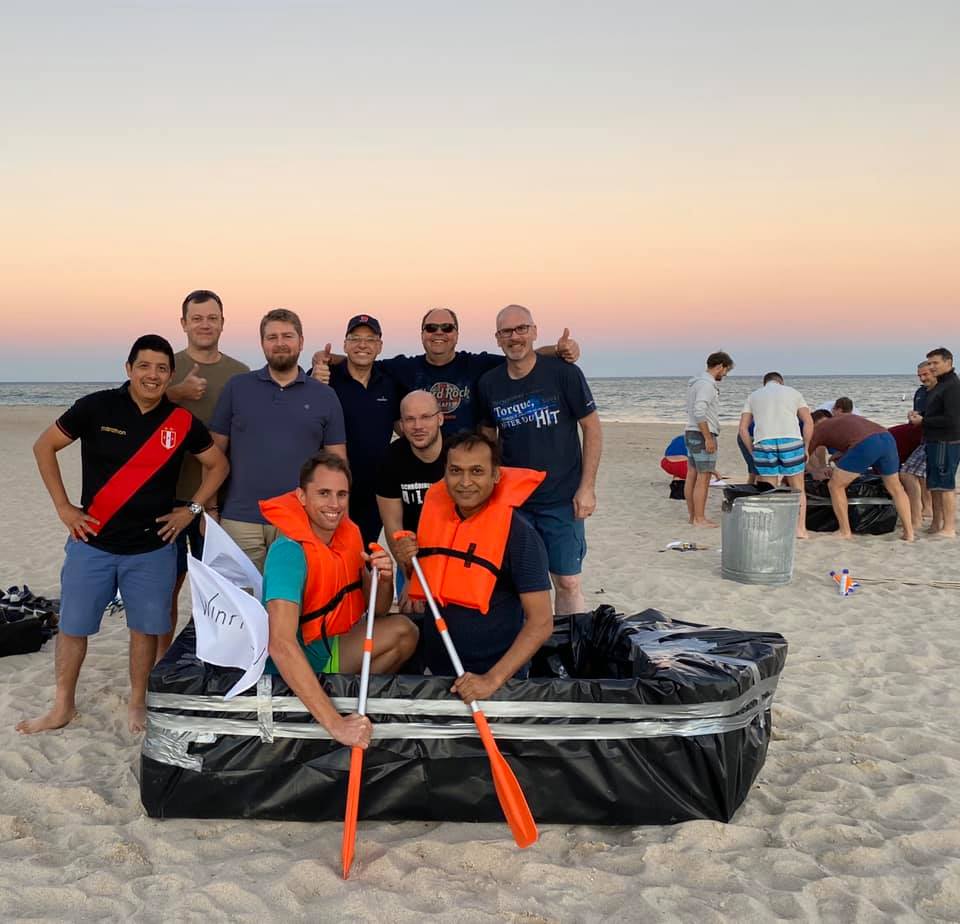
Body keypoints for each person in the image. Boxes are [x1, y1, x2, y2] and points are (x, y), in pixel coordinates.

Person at [17, 335, 229, 735]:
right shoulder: (96, 407)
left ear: (170, 375)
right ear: (129, 369)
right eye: (144, 366)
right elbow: (44, 447)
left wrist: (193, 509)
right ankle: (62, 706)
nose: (152, 375)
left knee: (145, 631)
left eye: (162, 368)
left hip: (152, 549)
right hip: (91, 544)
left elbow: (217, 465)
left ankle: (137, 702)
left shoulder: (181, 421)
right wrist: (64, 508)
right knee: (73, 629)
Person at [260, 453, 418, 746]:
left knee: (405, 632)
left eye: (341, 494)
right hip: (291, 666)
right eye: (323, 493)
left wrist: (384, 578)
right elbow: (280, 644)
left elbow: (379, 610)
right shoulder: (289, 552)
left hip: (329, 647)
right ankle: (331, 715)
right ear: (301, 497)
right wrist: (337, 726)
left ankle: (346, 701)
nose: (334, 504)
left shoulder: (349, 535)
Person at [393, 433, 553, 703]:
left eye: (477, 471)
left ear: (496, 476)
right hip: (437, 673)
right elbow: (428, 578)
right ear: (445, 473)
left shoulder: (521, 535)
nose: (465, 482)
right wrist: (408, 562)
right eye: (455, 471)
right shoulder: (434, 519)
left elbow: (542, 622)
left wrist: (491, 681)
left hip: (496, 679)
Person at [477, 304, 602, 616]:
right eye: (506, 331)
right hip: (514, 501)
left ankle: (570, 649)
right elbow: (486, 440)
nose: (515, 337)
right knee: (519, 583)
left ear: (534, 332)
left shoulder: (564, 373)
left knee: (568, 581)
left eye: (521, 329)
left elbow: (592, 428)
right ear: (497, 338)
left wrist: (587, 487)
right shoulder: (489, 384)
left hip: (561, 498)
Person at [210, 309, 347, 571]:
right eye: (272, 337)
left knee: (291, 603)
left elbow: (338, 463)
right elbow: (215, 453)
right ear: (262, 343)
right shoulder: (237, 388)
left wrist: (340, 518)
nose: (280, 343)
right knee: (239, 605)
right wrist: (210, 509)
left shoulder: (324, 396)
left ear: (301, 342)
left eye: (287, 336)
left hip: (299, 518)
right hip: (240, 520)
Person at [312, 307, 581, 434]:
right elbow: (363, 359)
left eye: (446, 328)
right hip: (421, 462)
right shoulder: (404, 367)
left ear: (456, 334)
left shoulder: (476, 364)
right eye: (431, 328)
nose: (439, 333)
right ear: (422, 334)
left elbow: (519, 355)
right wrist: (322, 360)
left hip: (465, 466)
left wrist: (558, 351)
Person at [159, 289, 249, 660]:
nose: (205, 325)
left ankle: (220, 657)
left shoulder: (240, 374)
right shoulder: (165, 368)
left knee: (221, 588)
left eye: (212, 318)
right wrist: (175, 393)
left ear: (223, 323)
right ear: (183, 324)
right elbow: (132, 412)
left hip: (222, 500)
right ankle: (165, 663)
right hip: (169, 497)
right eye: (197, 318)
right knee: (167, 588)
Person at [324, 314, 401, 546]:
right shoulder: (326, 378)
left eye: (370, 339)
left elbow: (403, 426)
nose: (362, 345)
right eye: (355, 338)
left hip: (374, 491)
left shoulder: (389, 382)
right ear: (345, 344)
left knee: (364, 554)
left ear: (379, 346)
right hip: (333, 488)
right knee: (331, 554)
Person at [376, 390, 446, 610]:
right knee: (411, 617)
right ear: (402, 424)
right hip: (410, 557)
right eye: (410, 419)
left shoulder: (458, 453)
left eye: (426, 417)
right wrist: (410, 576)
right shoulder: (390, 459)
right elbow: (392, 525)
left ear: (440, 418)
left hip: (451, 556)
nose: (418, 426)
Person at [806, 409, 914, 541]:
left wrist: (813, 472)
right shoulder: (843, 416)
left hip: (866, 443)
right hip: (886, 437)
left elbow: (802, 458)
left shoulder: (817, 429)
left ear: (812, 424)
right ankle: (909, 533)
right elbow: (854, 435)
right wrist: (842, 453)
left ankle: (845, 531)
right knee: (896, 488)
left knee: (835, 485)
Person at [739, 373, 814, 538]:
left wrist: (752, 450)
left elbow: (743, 429)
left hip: (764, 441)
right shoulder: (793, 392)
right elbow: (808, 422)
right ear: (781, 382)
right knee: (798, 488)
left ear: (765, 383)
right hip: (791, 440)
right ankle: (800, 529)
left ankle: (771, 528)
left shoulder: (753, 396)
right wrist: (806, 447)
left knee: (768, 489)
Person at [911, 347, 960, 537]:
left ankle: (948, 527)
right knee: (934, 484)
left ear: (948, 363)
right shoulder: (939, 385)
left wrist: (924, 421)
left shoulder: (953, 386)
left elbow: (953, 419)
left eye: (935, 363)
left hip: (946, 441)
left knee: (944, 484)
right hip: (933, 440)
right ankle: (936, 523)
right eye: (929, 363)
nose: (931, 367)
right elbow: (935, 413)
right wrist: (920, 415)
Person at [684, 351, 735, 527]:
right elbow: (700, 411)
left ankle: (693, 516)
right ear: (720, 366)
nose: (725, 375)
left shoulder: (695, 383)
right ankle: (699, 518)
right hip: (701, 434)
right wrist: (708, 437)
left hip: (691, 431)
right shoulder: (707, 385)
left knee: (692, 474)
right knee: (703, 477)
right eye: (726, 370)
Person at [898, 361, 937, 529]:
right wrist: (913, 417)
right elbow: (919, 417)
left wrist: (923, 420)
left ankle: (917, 516)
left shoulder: (944, 392)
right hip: (923, 437)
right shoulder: (921, 392)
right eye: (920, 375)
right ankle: (926, 509)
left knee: (907, 474)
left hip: (940, 439)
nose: (922, 378)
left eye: (926, 375)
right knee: (920, 474)